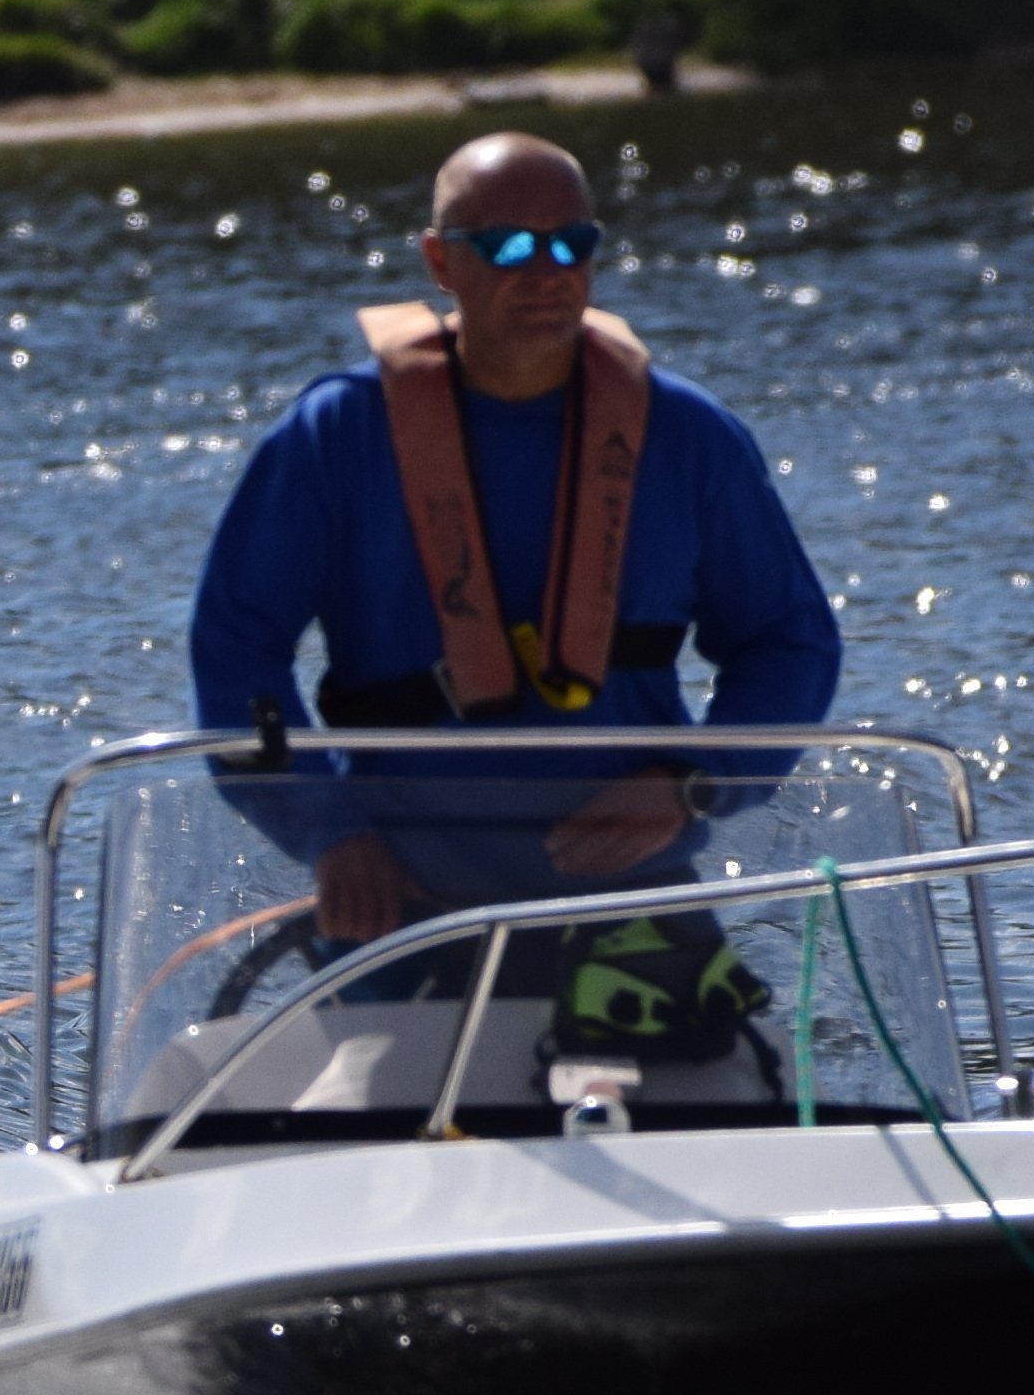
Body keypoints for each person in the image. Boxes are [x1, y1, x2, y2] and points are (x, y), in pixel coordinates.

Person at [184, 135, 842, 1043]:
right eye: (507, 247)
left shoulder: (689, 435)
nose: (545, 271)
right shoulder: (334, 435)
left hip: (634, 903)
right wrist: (327, 831)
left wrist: (693, 781)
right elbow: (235, 651)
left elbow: (789, 643)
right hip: (405, 911)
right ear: (439, 261)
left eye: (572, 243)